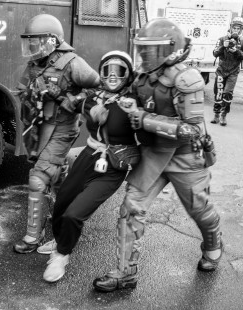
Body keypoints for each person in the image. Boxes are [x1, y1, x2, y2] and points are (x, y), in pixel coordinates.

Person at [92, 18, 223, 293]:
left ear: (171, 50)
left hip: (186, 156)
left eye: (152, 51)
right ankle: (126, 273)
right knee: (131, 208)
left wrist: (145, 119)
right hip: (153, 153)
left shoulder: (186, 78)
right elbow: (122, 92)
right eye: (143, 50)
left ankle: (213, 243)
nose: (145, 56)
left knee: (199, 210)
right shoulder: (143, 75)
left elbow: (191, 130)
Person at [40, 51, 140, 282]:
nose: (113, 76)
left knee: (75, 214)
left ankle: (61, 255)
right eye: (108, 70)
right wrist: (52, 91)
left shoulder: (134, 103)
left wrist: (137, 115)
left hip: (113, 166)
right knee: (62, 201)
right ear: (101, 73)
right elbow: (69, 102)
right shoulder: (93, 97)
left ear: (129, 74)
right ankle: (60, 238)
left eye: (120, 71)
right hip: (88, 157)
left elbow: (149, 134)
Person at [13, 14, 100, 254]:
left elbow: (102, 87)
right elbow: (21, 91)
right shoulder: (34, 65)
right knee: (58, 177)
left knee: (38, 177)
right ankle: (65, 214)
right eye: (30, 42)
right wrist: (36, 93)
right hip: (41, 128)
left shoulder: (72, 63)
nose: (32, 47)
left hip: (63, 129)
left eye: (36, 41)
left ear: (51, 41)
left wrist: (69, 99)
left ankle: (33, 236)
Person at [211, 16, 243, 126]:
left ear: (241, 30)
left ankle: (223, 115)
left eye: (238, 29)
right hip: (221, 70)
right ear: (231, 28)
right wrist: (223, 46)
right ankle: (216, 114)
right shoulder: (222, 39)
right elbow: (214, 53)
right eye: (234, 28)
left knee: (227, 93)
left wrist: (236, 51)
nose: (236, 30)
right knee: (218, 93)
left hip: (233, 71)